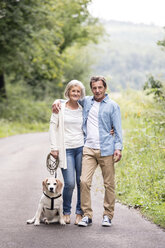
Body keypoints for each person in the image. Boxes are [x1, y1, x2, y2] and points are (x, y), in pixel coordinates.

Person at [52, 76, 122, 227]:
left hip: (107, 149)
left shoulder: (113, 106)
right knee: (83, 182)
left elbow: (117, 130)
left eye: (100, 87)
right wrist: (57, 101)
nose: (97, 90)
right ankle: (87, 215)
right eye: (94, 88)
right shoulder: (87, 101)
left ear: (105, 88)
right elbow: (71, 99)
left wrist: (118, 148)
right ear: (91, 89)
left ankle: (107, 216)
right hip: (88, 148)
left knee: (109, 184)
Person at [49, 79, 85, 225]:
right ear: (68, 92)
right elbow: (52, 126)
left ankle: (79, 213)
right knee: (69, 183)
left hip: (82, 148)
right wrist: (54, 147)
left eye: (78, 91)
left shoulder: (84, 108)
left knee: (81, 182)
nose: (75, 93)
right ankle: (66, 212)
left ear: (81, 93)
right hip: (66, 150)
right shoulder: (60, 107)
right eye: (73, 91)